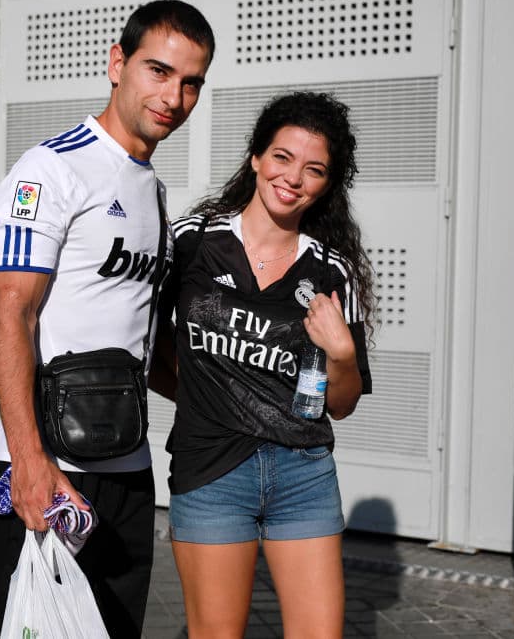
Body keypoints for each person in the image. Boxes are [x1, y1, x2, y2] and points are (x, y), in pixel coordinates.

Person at [0, 0, 215, 638]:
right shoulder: (50, 169)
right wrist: (28, 464)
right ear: (117, 64)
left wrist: (228, 411)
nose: (174, 96)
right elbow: (11, 316)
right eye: (158, 71)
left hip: (128, 474)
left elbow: (142, 341)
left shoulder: (152, 189)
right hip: (51, 466)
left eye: (191, 82)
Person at [160, 91, 374, 638]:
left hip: (301, 474)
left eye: (314, 169)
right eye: (282, 157)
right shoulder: (191, 243)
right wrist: (206, 403)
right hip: (211, 473)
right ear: (256, 157)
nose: (293, 178)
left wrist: (342, 353)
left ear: (327, 185)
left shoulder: (332, 272)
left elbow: (341, 403)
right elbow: (150, 348)